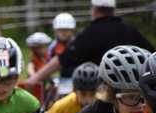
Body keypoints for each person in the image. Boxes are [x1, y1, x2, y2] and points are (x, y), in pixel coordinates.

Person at [25, 0, 153, 88]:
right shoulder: (130, 31)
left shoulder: (90, 34)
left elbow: (62, 59)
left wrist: (34, 79)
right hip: (134, 93)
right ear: (114, 10)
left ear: (94, 10)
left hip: (104, 93)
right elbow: (153, 56)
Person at [29, 61, 99, 113]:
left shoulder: (106, 104)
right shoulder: (65, 104)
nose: (88, 99)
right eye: (83, 94)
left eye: (92, 94)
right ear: (74, 90)